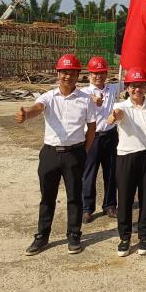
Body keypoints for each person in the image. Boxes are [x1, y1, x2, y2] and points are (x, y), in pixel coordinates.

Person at [16, 53, 97, 255]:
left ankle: (74, 235)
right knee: (47, 197)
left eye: (72, 72)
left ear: (78, 75)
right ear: (58, 73)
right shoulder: (49, 97)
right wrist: (26, 114)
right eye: (64, 72)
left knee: (74, 197)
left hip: (75, 153)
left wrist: (84, 151)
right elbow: (38, 108)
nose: (68, 76)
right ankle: (42, 236)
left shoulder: (85, 100)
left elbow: (92, 127)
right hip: (50, 154)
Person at [106, 67, 146, 257]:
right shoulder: (122, 107)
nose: (137, 89)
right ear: (127, 87)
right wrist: (114, 116)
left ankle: (144, 237)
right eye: (133, 86)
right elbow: (117, 115)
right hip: (127, 157)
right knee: (125, 198)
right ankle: (124, 238)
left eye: (140, 85)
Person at [80, 56, 120, 223]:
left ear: (106, 74)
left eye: (102, 73)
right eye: (95, 73)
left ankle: (110, 205)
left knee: (111, 172)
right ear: (90, 74)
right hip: (92, 137)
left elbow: (131, 83)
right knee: (89, 172)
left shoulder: (113, 88)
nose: (99, 76)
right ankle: (87, 208)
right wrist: (91, 99)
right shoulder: (84, 92)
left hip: (110, 135)